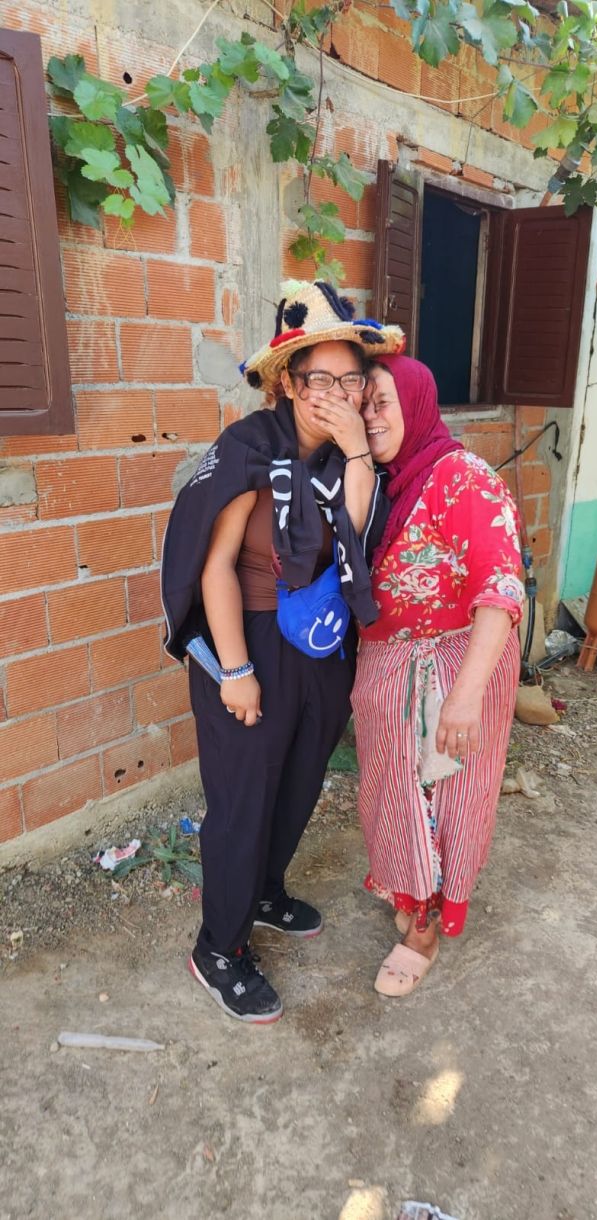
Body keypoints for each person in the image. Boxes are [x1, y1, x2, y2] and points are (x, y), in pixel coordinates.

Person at [161, 281, 404, 1023]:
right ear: (289, 383)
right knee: (242, 801)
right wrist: (234, 670)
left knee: (299, 780)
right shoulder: (249, 451)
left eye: (350, 379)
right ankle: (218, 950)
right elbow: (215, 567)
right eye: (318, 378)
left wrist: (357, 448)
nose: (335, 393)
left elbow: (352, 545)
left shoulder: (345, 458)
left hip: (320, 641)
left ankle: (264, 890)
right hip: (253, 642)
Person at [350, 354, 525, 997]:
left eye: (383, 402)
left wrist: (465, 698)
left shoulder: (463, 480)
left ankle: (424, 926)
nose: (371, 417)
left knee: (446, 801)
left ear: (418, 405)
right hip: (389, 670)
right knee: (393, 796)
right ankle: (412, 890)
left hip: (449, 672)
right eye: (362, 403)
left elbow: (502, 589)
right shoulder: (385, 485)